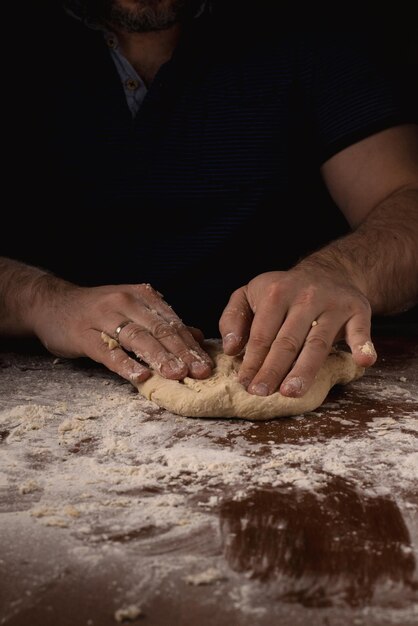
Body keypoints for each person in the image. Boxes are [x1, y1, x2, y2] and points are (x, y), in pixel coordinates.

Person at [1, 0, 417, 399]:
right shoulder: (19, 37)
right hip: (51, 389)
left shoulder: (305, 30)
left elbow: (406, 198)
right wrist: (40, 302)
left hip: (292, 368)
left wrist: (341, 271)